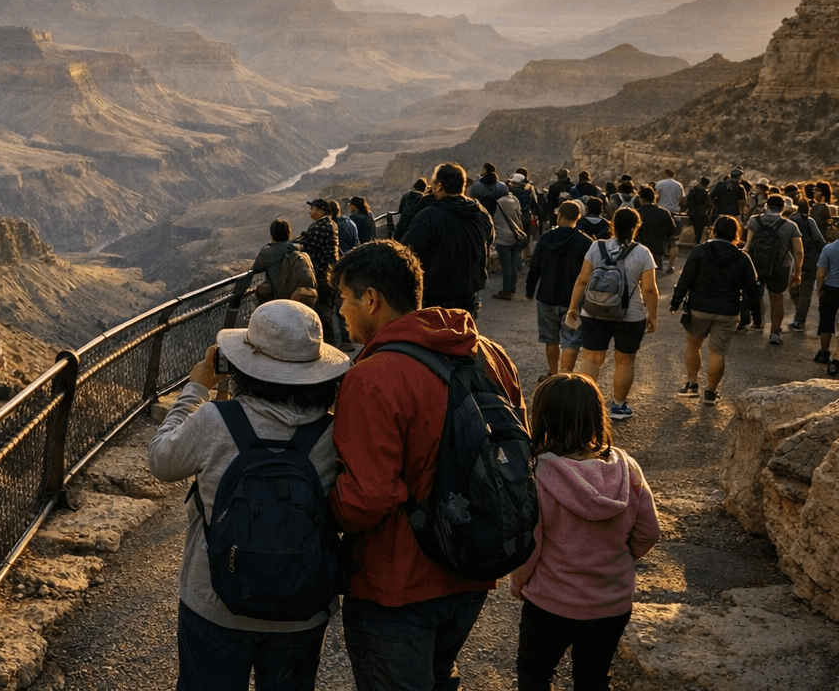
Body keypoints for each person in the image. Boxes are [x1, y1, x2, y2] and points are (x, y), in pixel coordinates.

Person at [329, 240, 526, 691]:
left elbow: (368, 497)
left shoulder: (373, 377)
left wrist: (319, 508)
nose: (339, 309)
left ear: (371, 299)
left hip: (396, 581)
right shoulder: (491, 356)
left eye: (344, 297)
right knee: (440, 677)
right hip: (472, 567)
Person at [148, 299, 352, 691]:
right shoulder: (334, 431)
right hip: (303, 607)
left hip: (213, 601)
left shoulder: (214, 419)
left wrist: (195, 390)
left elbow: (161, 460)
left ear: (241, 364)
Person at [510, 374, 660, 691]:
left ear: (543, 417)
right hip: (612, 602)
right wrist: (618, 557)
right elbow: (649, 532)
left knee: (535, 673)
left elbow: (530, 546)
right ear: (597, 414)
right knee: (593, 679)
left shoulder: (539, 473)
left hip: (550, 601)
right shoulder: (627, 467)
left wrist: (519, 583)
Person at [565, 206, 659, 422]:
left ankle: (586, 406)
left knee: (591, 358)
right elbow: (649, 289)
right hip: (630, 314)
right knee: (624, 361)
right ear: (637, 227)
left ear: (613, 225)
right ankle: (617, 407)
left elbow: (582, 279)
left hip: (594, 310)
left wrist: (573, 307)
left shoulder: (596, 247)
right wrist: (653, 316)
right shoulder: (642, 252)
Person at [669, 215, 763, 404]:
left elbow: (685, 278)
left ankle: (692, 385)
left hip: (699, 308)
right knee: (718, 353)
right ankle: (711, 393)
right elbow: (753, 289)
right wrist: (757, 317)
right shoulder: (742, 257)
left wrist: (675, 302)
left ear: (714, 230)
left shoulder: (700, 251)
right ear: (736, 233)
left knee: (693, 346)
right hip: (728, 311)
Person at [400, 162, 494, 315]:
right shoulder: (480, 212)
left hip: (436, 302)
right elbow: (489, 239)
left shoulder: (429, 216)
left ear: (438, 186)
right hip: (469, 299)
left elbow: (406, 253)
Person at [526, 200, 594, 381]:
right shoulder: (585, 242)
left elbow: (535, 267)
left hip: (547, 296)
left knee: (550, 339)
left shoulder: (546, 238)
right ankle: (565, 376)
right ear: (578, 218)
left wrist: (529, 290)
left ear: (560, 215)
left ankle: (553, 372)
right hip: (573, 300)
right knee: (571, 339)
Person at [746, 193, 804, 346]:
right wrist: (797, 272)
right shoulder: (790, 226)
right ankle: (774, 333)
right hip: (781, 267)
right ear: (783, 207)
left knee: (756, 293)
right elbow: (798, 251)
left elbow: (748, 245)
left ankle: (758, 321)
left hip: (756, 264)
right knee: (776, 299)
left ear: (767, 205)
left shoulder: (754, 220)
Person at [297, 200, 342, 339]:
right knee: (330, 306)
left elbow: (310, 248)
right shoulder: (330, 223)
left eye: (312, 208)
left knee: (324, 308)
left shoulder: (320, 226)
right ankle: (340, 339)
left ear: (322, 211)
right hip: (331, 270)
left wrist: (294, 244)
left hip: (323, 272)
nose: (310, 211)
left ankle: (329, 341)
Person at [251, 218, 317, 305]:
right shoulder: (299, 248)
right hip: (301, 296)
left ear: (272, 235)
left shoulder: (267, 252)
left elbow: (256, 268)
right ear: (288, 234)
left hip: (279, 298)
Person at [789, 198, 826, 333]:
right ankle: (799, 320)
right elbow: (819, 240)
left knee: (793, 290)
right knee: (806, 292)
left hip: (794, 261)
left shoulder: (790, 220)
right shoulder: (809, 221)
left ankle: (799, 316)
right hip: (811, 261)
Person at [491, 183, 527, 301]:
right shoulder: (514, 199)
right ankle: (512, 288)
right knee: (512, 265)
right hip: (516, 236)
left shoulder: (497, 203)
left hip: (503, 238)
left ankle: (505, 291)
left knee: (506, 266)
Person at [633, 185, 676, 276]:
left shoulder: (637, 213)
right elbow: (672, 230)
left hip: (638, 251)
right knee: (654, 278)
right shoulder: (664, 212)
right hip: (657, 250)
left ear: (641, 199)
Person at [813, 234, 839, 376]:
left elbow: (820, 274)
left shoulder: (828, 248)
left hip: (830, 289)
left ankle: (824, 353)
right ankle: (837, 357)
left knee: (826, 322)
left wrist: (819, 289)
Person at [684, 176, 713, 244]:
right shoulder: (705, 193)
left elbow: (687, 202)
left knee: (695, 228)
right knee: (701, 229)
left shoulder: (692, 191)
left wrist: (685, 209)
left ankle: (695, 241)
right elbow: (709, 204)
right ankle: (699, 241)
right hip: (701, 214)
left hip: (692, 213)